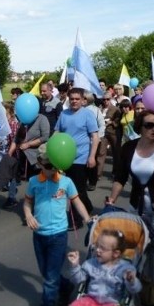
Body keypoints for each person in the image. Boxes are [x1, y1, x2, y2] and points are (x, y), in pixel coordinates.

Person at [106, 110, 154, 306]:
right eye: (149, 125)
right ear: (140, 127)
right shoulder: (129, 148)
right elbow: (120, 177)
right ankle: (135, 294)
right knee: (134, 251)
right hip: (137, 206)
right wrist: (111, 199)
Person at [23, 144, 92, 306]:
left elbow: (77, 201)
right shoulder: (33, 182)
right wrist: (28, 215)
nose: (53, 169)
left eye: (56, 165)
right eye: (49, 165)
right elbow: (27, 202)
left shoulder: (66, 182)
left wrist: (87, 219)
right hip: (39, 236)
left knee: (50, 277)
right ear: (39, 163)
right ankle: (66, 286)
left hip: (59, 235)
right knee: (47, 273)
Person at [54, 87, 99, 223]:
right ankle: (88, 208)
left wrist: (92, 157)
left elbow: (95, 137)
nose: (74, 101)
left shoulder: (87, 114)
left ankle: (77, 220)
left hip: (81, 158)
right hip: (65, 159)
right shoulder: (64, 114)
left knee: (77, 189)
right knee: (69, 188)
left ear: (82, 100)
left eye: (77, 99)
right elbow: (56, 133)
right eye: (72, 99)